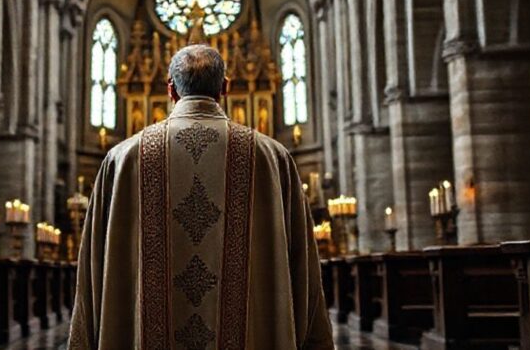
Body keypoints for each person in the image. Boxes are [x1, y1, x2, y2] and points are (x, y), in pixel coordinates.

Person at [68, 45, 334, 350]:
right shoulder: (271, 157)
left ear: (170, 90)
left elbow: (93, 275)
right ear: (225, 87)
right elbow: (303, 272)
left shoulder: (123, 158)